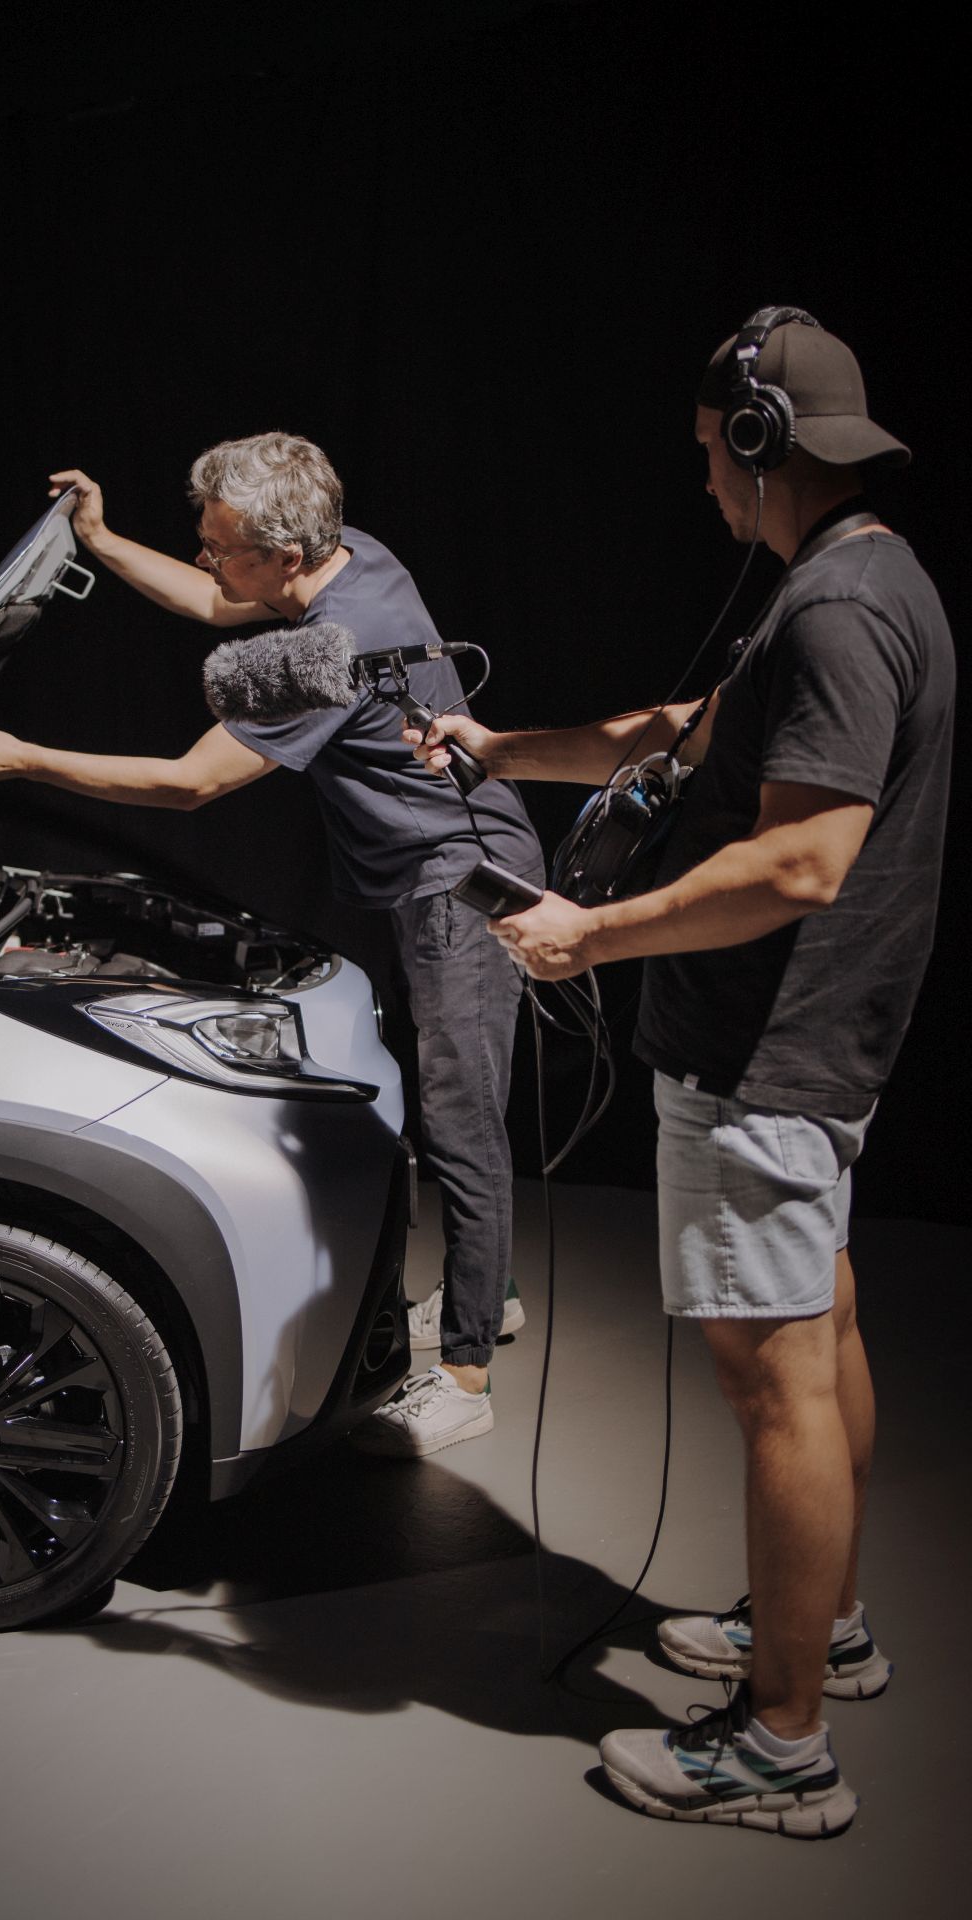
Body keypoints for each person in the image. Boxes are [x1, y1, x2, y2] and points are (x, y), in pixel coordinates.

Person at [410, 312, 954, 1834]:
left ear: (761, 440)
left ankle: (781, 1750)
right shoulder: (856, 581)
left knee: (772, 1379)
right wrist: (499, 749)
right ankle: (823, 1631)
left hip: (764, 1056)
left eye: (713, 447)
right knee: (819, 1325)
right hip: (807, 1048)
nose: (704, 475)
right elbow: (673, 739)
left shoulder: (835, 614)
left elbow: (799, 859)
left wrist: (590, 933)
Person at [0, 432, 544, 1455]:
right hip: (435, 874)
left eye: (220, 546)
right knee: (453, 1106)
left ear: (286, 555)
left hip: (463, 890)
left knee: (460, 1120)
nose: (206, 559)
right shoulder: (357, 555)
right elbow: (218, 606)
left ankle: (467, 1371)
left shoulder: (326, 651)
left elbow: (191, 783)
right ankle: (494, 1292)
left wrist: (27, 760)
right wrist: (101, 540)